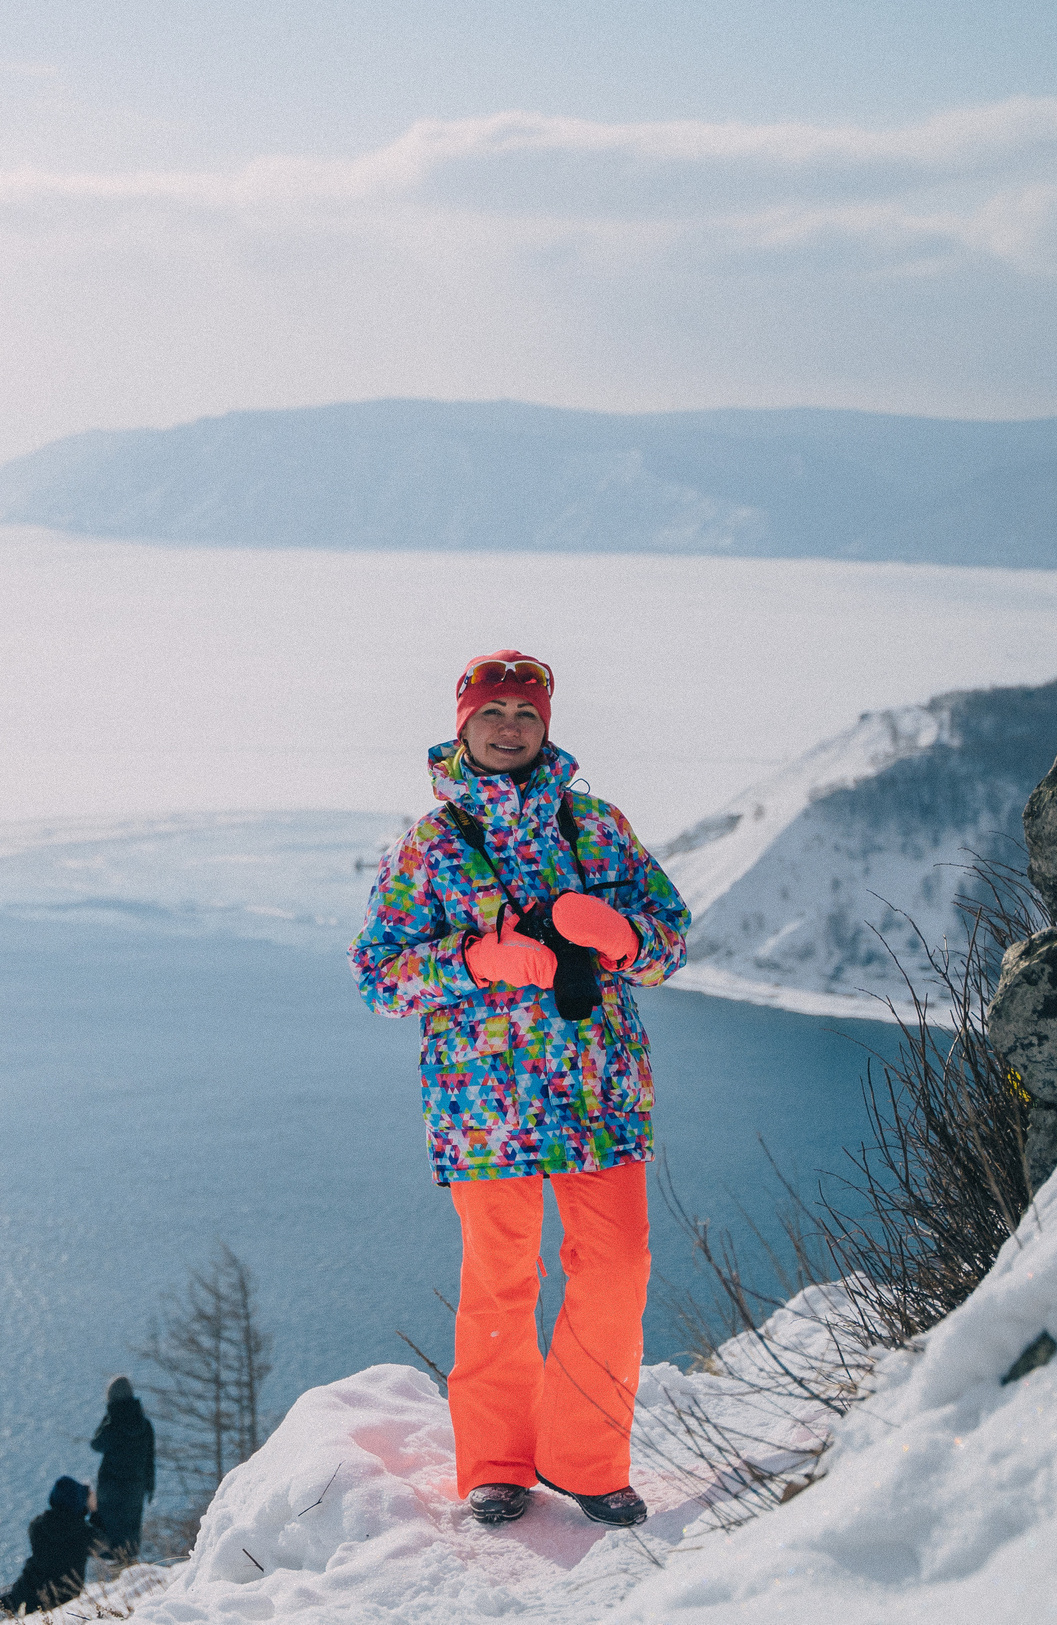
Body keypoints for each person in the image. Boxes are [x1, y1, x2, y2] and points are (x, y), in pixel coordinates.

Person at [350, 651, 689, 1531]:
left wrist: (620, 935)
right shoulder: (432, 843)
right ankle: (497, 1462)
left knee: (616, 1269)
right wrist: (471, 960)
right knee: (501, 1279)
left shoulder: (597, 825)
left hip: (599, 1087)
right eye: (492, 711)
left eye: (524, 713)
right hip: (481, 1099)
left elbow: (670, 938)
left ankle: (588, 1458)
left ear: (546, 724)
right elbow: (378, 975)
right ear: (462, 724)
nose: (509, 727)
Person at [0, 1476, 94, 1624]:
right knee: (1, 1601)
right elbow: (109, 1544)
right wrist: (94, 1512)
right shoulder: (84, 1534)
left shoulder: (39, 1526)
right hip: (64, 1594)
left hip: (29, 1588)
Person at [86, 1376, 155, 1561]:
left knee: (111, 1533)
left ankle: (115, 1576)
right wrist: (149, 1486)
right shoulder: (144, 1424)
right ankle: (130, 1566)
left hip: (112, 1487)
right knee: (131, 1529)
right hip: (135, 1486)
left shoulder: (112, 1426)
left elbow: (96, 1444)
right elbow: (150, 1458)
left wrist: (107, 1417)